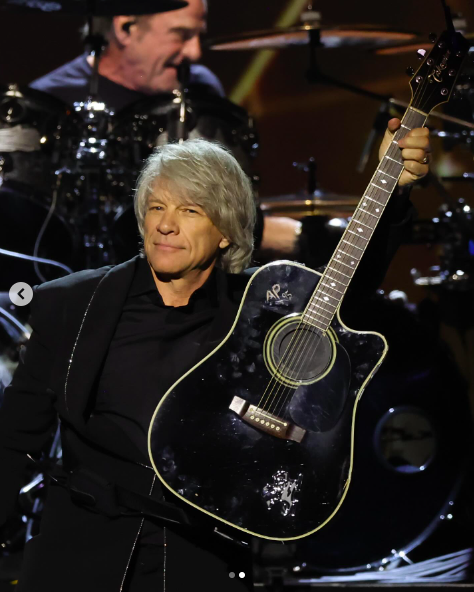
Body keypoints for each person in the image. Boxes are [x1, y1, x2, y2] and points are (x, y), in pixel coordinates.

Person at [0, 126, 430, 590]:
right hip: (82, 552)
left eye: (190, 210)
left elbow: (348, 287)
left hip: (199, 554)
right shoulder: (73, 304)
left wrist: (392, 187)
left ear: (226, 231)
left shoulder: (259, 312)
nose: (166, 224)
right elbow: (13, 437)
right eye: (157, 207)